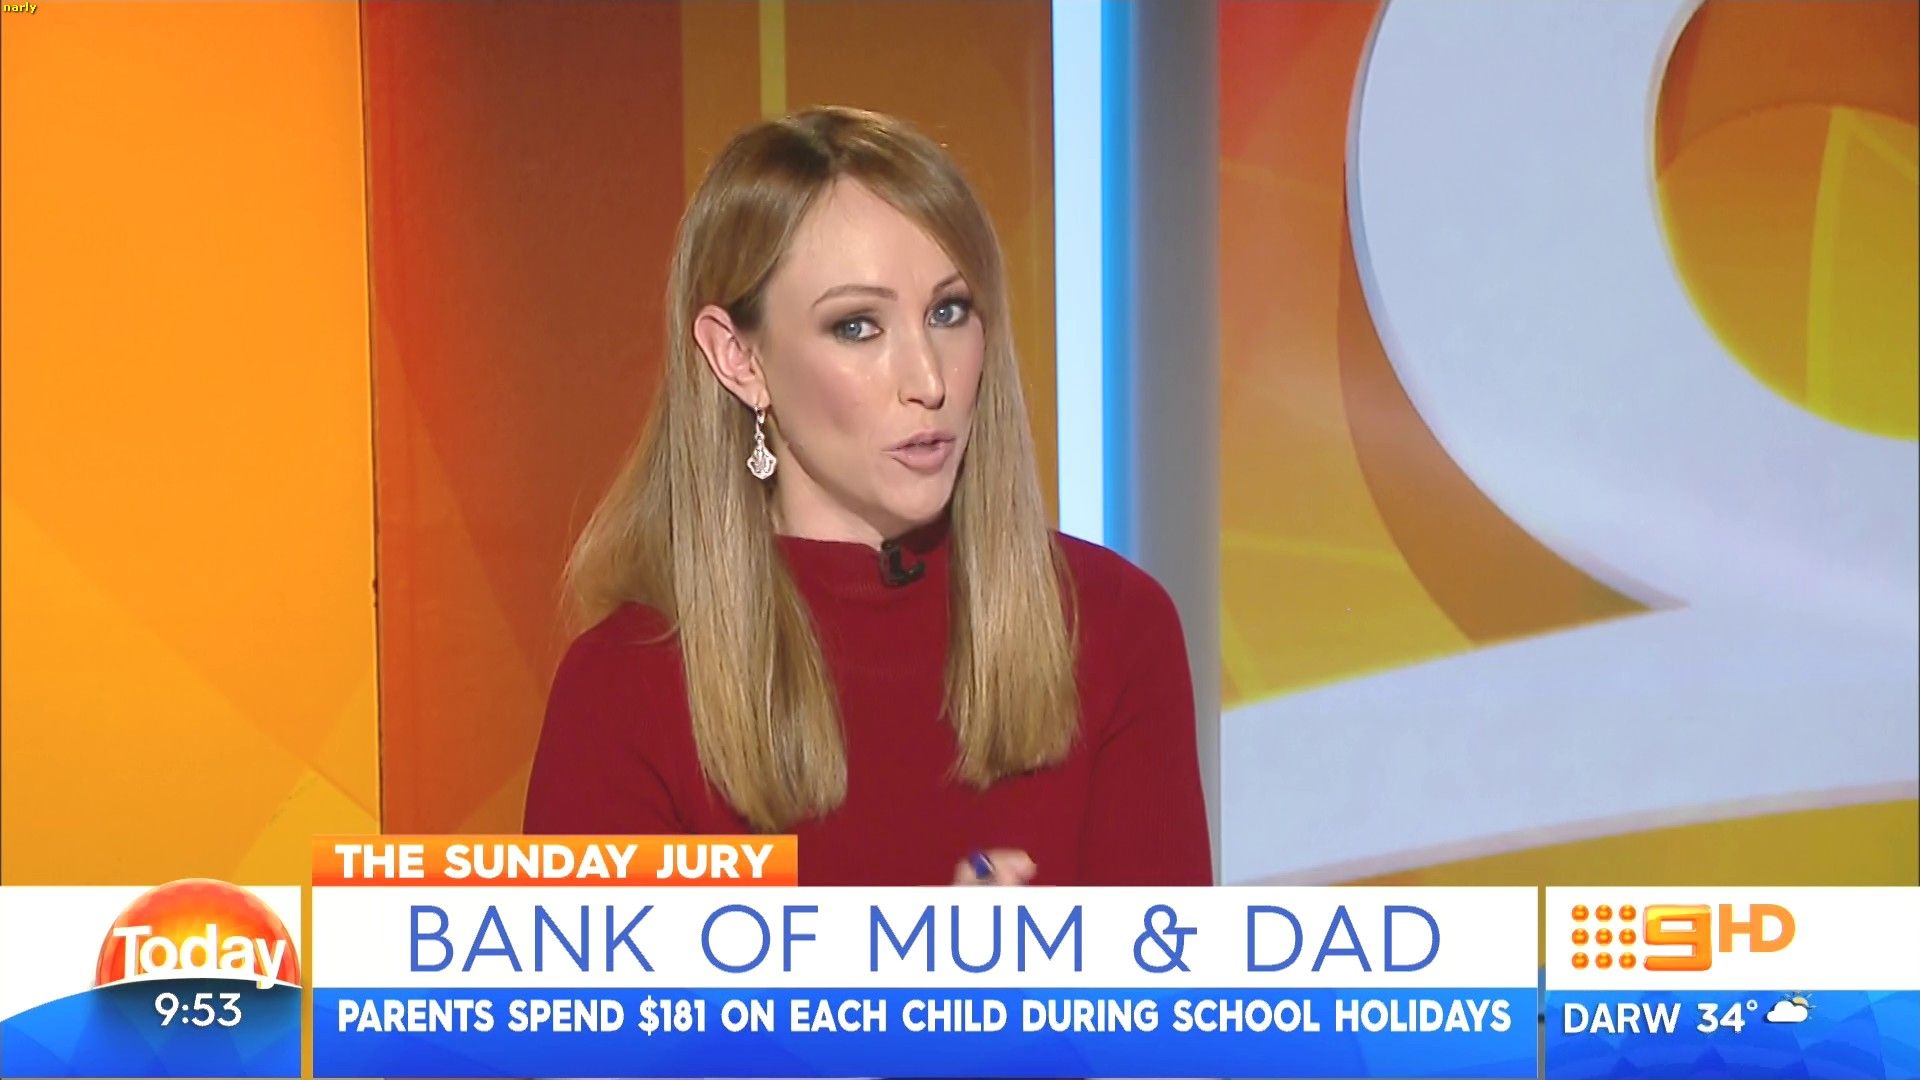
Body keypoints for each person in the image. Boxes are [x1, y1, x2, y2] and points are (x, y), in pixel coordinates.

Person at [523, 105, 1210, 887]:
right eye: (857, 326)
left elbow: (1169, 969)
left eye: (949, 312)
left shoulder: (1114, 629)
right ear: (738, 358)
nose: (929, 380)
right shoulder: (623, 692)